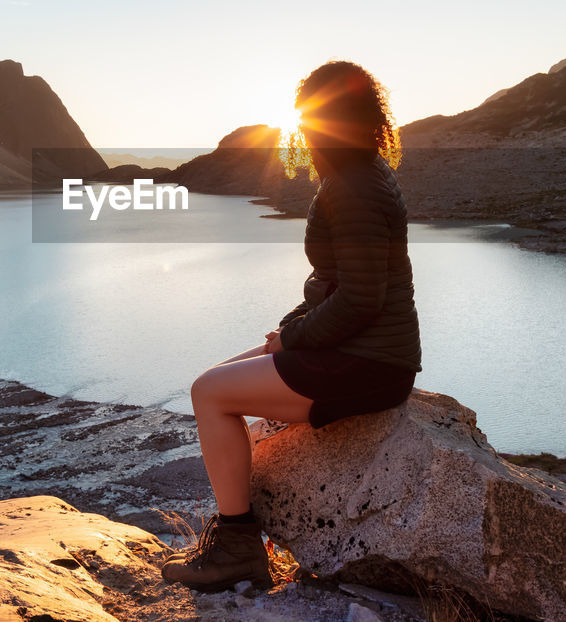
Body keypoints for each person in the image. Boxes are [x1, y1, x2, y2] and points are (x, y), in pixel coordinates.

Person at [160, 59, 423, 592]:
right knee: (216, 380)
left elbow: (361, 299)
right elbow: (334, 282)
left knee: (210, 394)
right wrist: (289, 328)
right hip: (363, 352)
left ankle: (238, 549)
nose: (306, 128)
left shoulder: (353, 186)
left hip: (368, 362)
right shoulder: (358, 175)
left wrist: (295, 338)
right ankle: (237, 541)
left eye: (315, 117)